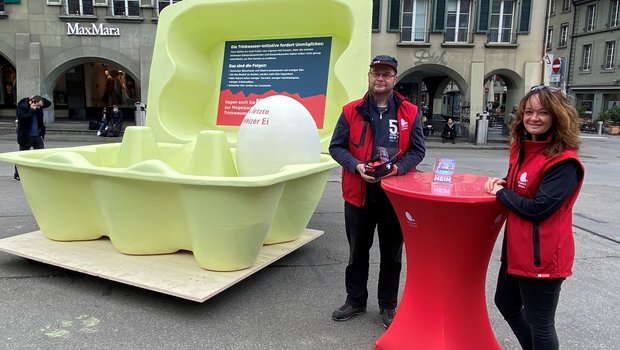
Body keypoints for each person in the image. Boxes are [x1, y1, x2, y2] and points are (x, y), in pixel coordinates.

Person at [329, 55, 426, 328]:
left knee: (391, 254)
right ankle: (356, 300)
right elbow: (336, 147)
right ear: (369, 76)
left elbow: (418, 151)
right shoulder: (351, 111)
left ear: (395, 78)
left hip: (394, 196)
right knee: (357, 251)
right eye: (376, 73)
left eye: (386, 73)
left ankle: (388, 305)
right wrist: (356, 165)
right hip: (358, 194)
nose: (380, 78)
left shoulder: (410, 112)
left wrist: (397, 170)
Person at [484, 85, 584, 350]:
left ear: (557, 117)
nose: (534, 118)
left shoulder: (564, 162)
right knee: (505, 303)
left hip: (544, 255)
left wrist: (502, 193)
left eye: (543, 112)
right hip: (517, 248)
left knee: (541, 324)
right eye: (529, 112)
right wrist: (504, 183)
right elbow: (522, 186)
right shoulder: (522, 147)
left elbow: (539, 207)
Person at [14, 95, 52, 181]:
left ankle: (40, 172)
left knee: (41, 154)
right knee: (22, 156)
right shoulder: (22, 107)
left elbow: (48, 103)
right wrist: (31, 109)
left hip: (37, 135)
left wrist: (37, 98)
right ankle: (18, 174)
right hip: (26, 136)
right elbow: (23, 118)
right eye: (38, 106)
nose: (39, 108)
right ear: (32, 103)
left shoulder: (38, 106)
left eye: (40, 106)